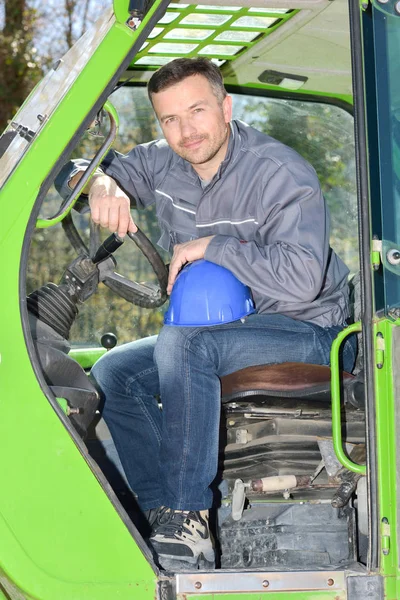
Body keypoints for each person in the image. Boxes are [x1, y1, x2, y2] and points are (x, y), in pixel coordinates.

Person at [57, 57, 356, 570]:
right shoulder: (164, 161)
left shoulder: (279, 172)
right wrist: (99, 183)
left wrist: (214, 246)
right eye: (169, 119)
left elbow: (304, 277)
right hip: (228, 326)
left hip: (308, 326)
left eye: (196, 111)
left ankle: (190, 517)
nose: (185, 130)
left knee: (187, 344)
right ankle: (163, 516)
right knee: (113, 373)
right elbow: (85, 172)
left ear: (225, 106)